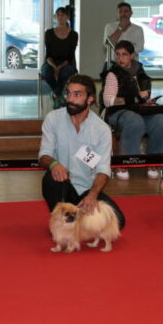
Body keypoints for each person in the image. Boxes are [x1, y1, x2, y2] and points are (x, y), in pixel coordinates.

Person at [39, 74, 125, 229]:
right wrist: (53, 164)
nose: (70, 99)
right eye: (69, 93)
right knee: (51, 179)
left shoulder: (102, 130)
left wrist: (93, 195)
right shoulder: (52, 119)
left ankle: (75, 220)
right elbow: (44, 155)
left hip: (87, 189)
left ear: (90, 99)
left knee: (118, 221)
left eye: (77, 94)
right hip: (63, 186)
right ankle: (65, 222)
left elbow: (103, 170)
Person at [101, 40, 163, 180]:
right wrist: (133, 99)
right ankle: (124, 162)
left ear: (132, 55)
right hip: (116, 112)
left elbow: (142, 98)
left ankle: (153, 161)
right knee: (135, 121)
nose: (120, 58)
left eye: (124, 54)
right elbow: (107, 101)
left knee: (161, 121)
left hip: (139, 111)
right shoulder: (112, 74)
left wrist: (146, 100)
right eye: (118, 54)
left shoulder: (141, 73)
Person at [40, 7, 79, 109]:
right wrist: (54, 67)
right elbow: (48, 55)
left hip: (67, 63)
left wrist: (59, 67)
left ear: (67, 17)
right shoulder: (49, 33)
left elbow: (70, 56)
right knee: (46, 72)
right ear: (55, 17)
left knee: (64, 72)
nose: (60, 17)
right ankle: (59, 95)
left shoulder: (74, 35)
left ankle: (55, 94)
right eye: (58, 15)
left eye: (63, 15)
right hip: (51, 62)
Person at [103, 2, 144, 69]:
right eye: (120, 12)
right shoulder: (109, 27)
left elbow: (140, 47)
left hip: (131, 64)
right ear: (117, 14)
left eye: (126, 11)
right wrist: (120, 28)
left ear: (131, 13)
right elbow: (107, 45)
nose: (123, 14)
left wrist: (122, 52)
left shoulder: (138, 29)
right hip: (112, 63)